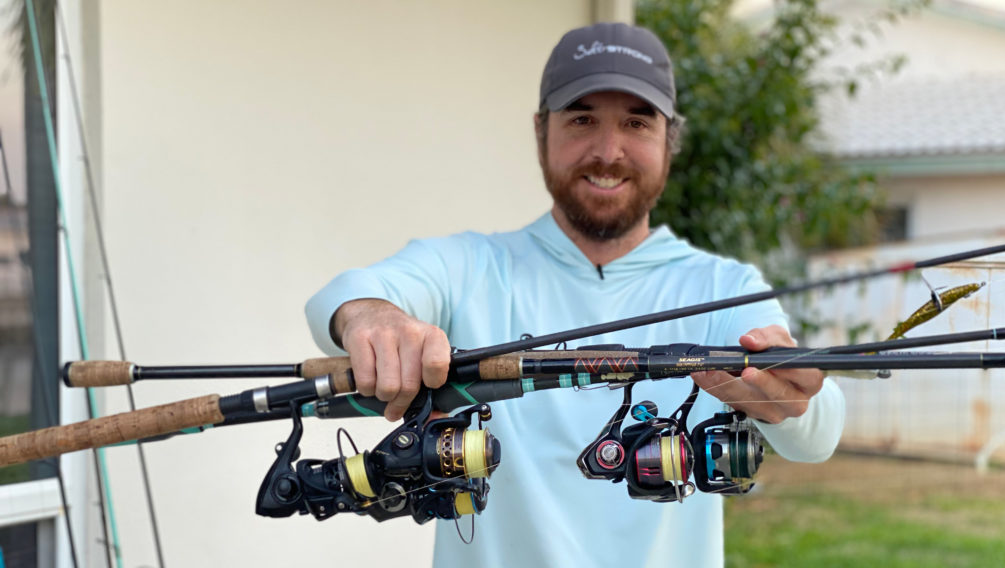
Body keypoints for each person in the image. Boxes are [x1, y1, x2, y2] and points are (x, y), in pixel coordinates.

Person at [306, 22, 844, 568]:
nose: (608, 151)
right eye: (582, 119)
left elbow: (818, 433)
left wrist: (790, 398)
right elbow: (348, 296)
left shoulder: (726, 287)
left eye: (636, 122)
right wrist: (372, 317)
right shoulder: (468, 265)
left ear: (670, 139)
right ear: (541, 131)